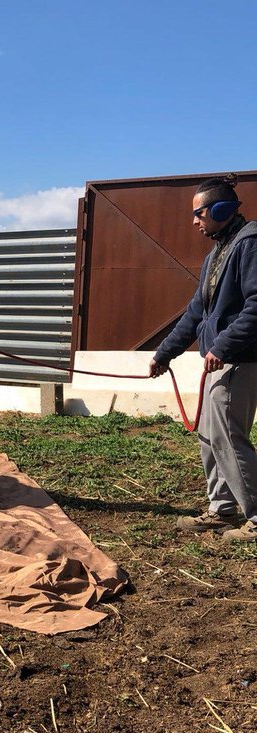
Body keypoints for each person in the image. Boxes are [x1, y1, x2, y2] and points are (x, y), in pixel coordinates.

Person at [149, 173, 257, 541]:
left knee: (229, 436)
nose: (194, 221)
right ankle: (222, 509)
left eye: (200, 213)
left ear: (222, 209)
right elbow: (196, 312)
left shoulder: (250, 245)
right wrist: (164, 354)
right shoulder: (216, 254)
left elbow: (256, 308)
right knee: (210, 436)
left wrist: (222, 346)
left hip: (241, 360)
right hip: (218, 360)